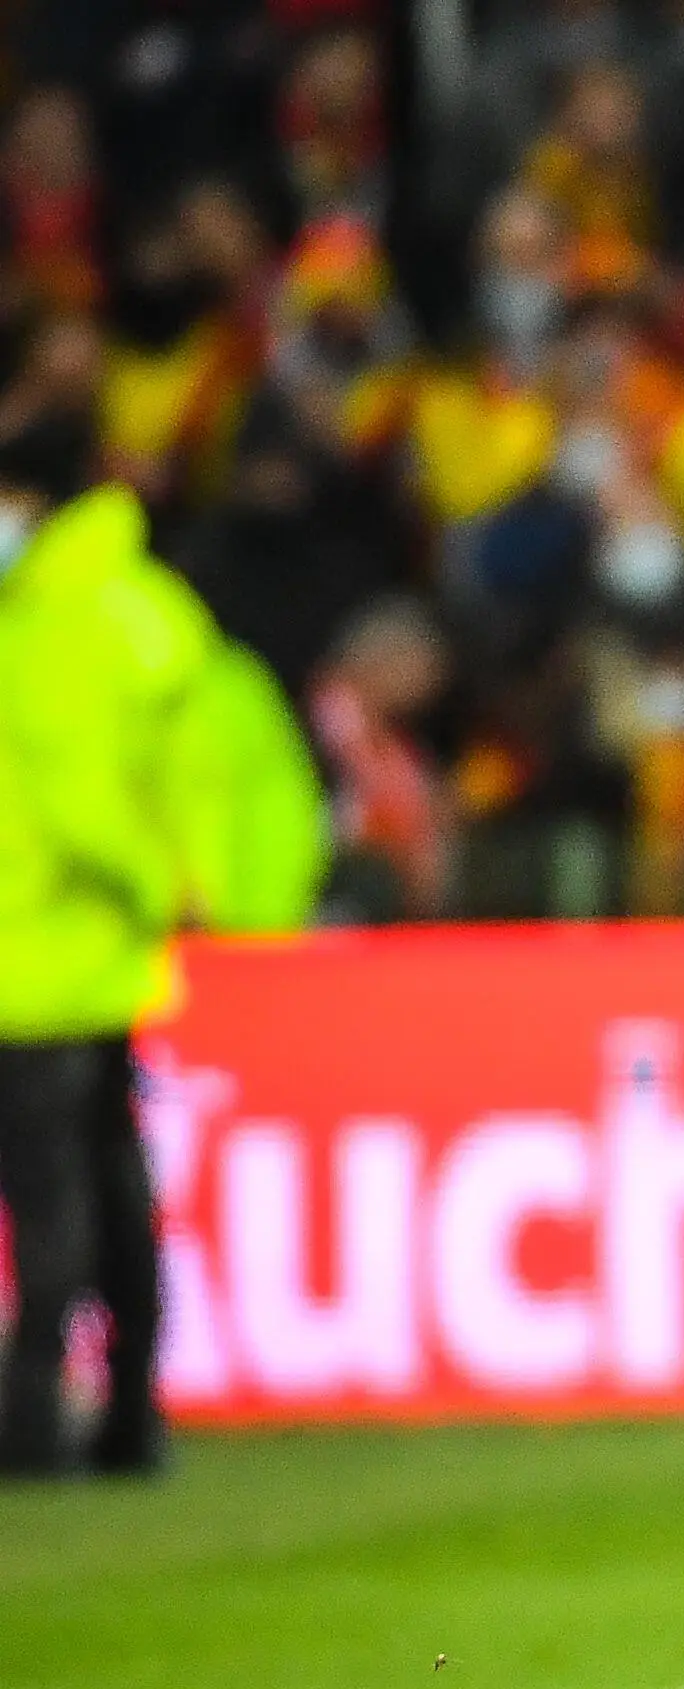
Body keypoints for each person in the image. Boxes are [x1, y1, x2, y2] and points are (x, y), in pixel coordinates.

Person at [0, 416, 324, 1478]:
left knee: (51, 1198)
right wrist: (194, 887)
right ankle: (135, 1409)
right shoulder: (155, 609)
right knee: (112, 1186)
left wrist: (144, 877)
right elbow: (223, 757)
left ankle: (33, 1421)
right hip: (115, 957)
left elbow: (69, 796)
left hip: (32, 957)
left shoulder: (45, 624)